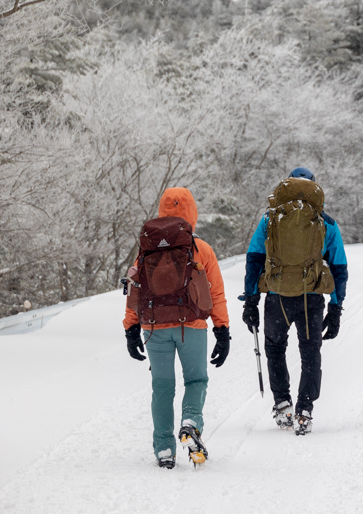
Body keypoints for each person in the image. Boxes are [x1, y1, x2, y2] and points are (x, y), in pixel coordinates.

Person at [123, 187, 230, 468]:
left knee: (162, 387)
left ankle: (164, 450)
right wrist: (222, 329)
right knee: (196, 380)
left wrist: (131, 328)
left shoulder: (146, 249)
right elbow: (216, 292)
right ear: (192, 211)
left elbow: (134, 288)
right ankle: (191, 421)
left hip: (154, 326)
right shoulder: (201, 248)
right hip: (191, 325)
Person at [241, 167, 348, 435]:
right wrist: (335, 308)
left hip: (277, 298)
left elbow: (254, 259)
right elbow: (338, 268)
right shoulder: (326, 223)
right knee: (310, 352)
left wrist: (251, 301)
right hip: (310, 299)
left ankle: (283, 403)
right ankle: (305, 409)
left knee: (275, 349)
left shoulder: (270, 219)